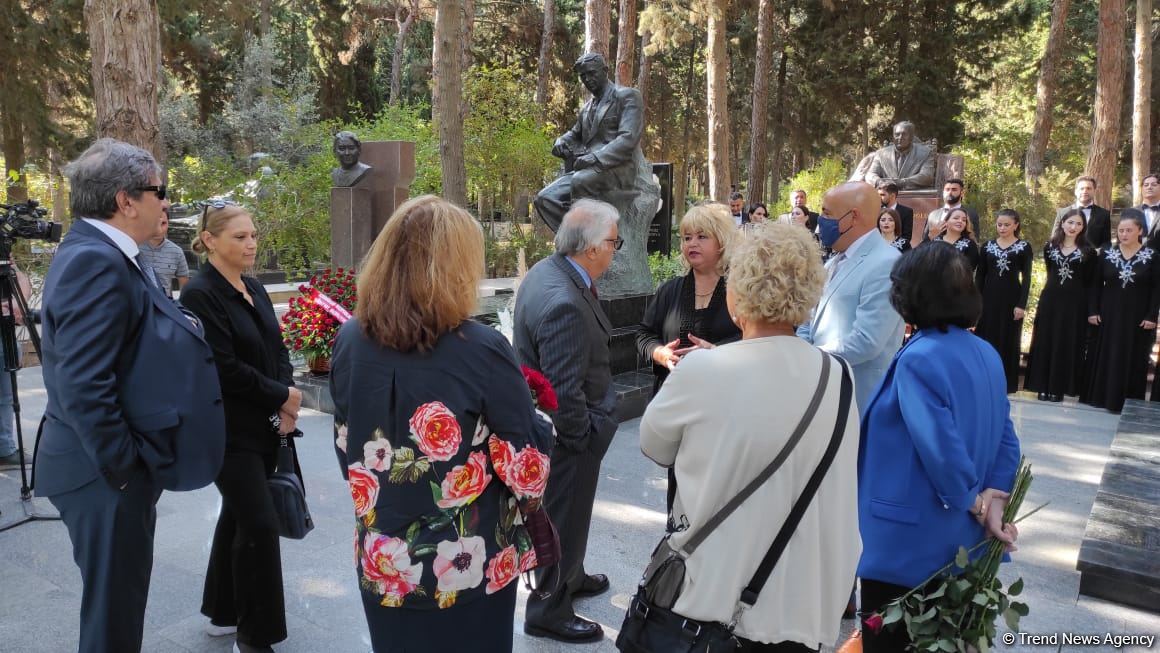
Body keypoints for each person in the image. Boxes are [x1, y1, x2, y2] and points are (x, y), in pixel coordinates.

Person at [328, 195, 553, 652]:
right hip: (470, 564)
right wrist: (542, 422)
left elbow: (346, 442)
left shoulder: (351, 337)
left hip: (383, 558)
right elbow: (525, 468)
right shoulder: (482, 348)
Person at [35, 138, 225, 653]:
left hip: (106, 471)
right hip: (101, 476)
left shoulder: (110, 253)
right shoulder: (94, 261)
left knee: (119, 607)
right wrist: (125, 468)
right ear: (125, 200)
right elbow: (82, 384)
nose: (165, 202)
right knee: (113, 618)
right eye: (159, 191)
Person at [639, 222, 860, 652]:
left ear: (735, 294)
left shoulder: (703, 370)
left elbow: (653, 444)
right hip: (803, 607)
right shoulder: (840, 376)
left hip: (713, 603)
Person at [858, 242, 1021, 653]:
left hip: (909, 546)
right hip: (962, 542)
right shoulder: (986, 352)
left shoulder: (920, 358)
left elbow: (940, 446)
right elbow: (1006, 435)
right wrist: (995, 497)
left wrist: (975, 501)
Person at [179, 201, 302, 653]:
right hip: (227, 431)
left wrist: (288, 399)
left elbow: (278, 348)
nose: (251, 244)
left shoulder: (254, 287)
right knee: (259, 524)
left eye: (253, 235)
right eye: (240, 237)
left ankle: (224, 611)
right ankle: (255, 636)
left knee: (237, 517)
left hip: (266, 424)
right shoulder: (200, 293)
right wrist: (282, 396)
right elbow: (223, 368)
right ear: (209, 241)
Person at [515, 198, 620, 643]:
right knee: (561, 517)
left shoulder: (550, 270)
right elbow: (562, 394)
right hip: (567, 441)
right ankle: (548, 607)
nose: (616, 249)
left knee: (571, 520)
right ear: (592, 248)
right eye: (614, 242)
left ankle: (570, 575)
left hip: (564, 435)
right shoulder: (563, 301)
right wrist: (585, 437)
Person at [636, 203, 741, 525]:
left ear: (721, 242)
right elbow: (643, 334)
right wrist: (659, 353)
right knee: (679, 489)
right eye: (685, 237)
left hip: (725, 410)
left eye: (701, 236)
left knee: (720, 496)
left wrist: (716, 352)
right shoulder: (670, 290)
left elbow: (755, 341)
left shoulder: (740, 289)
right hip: (679, 408)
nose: (691, 244)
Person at [798, 181, 904, 415]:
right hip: (823, 392)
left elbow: (866, 341)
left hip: (856, 402)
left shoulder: (886, 263)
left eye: (827, 213)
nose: (821, 222)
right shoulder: (836, 259)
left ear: (852, 217)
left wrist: (808, 357)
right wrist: (800, 347)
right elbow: (811, 317)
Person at [534, 53, 647, 232]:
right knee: (544, 198)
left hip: (617, 168)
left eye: (591, 73)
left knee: (580, 180)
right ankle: (576, 239)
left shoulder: (627, 96)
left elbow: (628, 138)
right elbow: (574, 133)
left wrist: (595, 157)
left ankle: (587, 238)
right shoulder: (587, 108)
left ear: (605, 71)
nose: (587, 79)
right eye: (583, 76)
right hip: (587, 168)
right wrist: (561, 141)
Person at [1082, 210, 1160, 412]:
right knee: (1108, 353)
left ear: (1140, 231)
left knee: (1133, 355)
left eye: (1129, 230)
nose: (1123, 234)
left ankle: (1127, 400)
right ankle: (1101, 398)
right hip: (1108, 314)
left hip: (1137, 317)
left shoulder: (1152, 256)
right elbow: (1096, 284)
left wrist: (1152, 315)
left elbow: (1156, 289)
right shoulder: (1107, 252)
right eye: (1120, 230)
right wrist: (1092, 310)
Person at [1024, 209, 1096, 402]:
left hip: (1075, 305)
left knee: (1067, 342)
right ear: (1062, 223)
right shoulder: (1050, 247)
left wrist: (1090, 310)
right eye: (1070, 222)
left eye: (1078, 224)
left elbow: (1090, 282)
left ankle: (1059, 388)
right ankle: (1042, 386)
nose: (1074, 227)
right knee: (1045, 340)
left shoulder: (1088, 251)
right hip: (1050, 301)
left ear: (1083, 227)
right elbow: (1051, 272)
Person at [974, 209, 1033, 394]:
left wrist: (1021, 305)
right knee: (986, 339)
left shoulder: (1023, 247)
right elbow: (980, 275)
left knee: (1008, 339)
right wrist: (976, 301)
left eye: (1007, 225)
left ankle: (1005, 383)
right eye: (999, 224)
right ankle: (983, 380)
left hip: (1011, 302)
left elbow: (1027, 278)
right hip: (988, 300)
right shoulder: (987, 246)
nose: (1002, 228)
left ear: (1016, 225)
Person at [0, 265, 33, 469]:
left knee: (6, 395)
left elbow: (22, 285)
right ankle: (4, 449)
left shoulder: (6, 264)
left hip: (5, 334)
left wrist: (14, 305)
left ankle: (4, 447)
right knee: (4, 396)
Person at [863, 121, 937, 190]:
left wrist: (902, 182)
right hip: (886, 195)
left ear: (911, 137)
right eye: (897, 134)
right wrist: (879, 182)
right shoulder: (881, 154)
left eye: (904, 134)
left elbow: (927, 176)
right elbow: (870, 174)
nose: (900, 138)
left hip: (914, 195)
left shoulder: (925, 153)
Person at [138, 209, 190, 297]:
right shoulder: (134, 247)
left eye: (163, 223)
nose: (159, 229)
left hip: (164, 304)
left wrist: (176, 304)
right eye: (154, 223)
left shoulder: (176, 251)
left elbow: (183, 284)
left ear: (168, 223)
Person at [1056, 175, 1111, 249]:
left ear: (1094, 191)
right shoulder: (1062, 213)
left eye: (1088, 188)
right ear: (1076, 191)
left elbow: (1106, 243)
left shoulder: (1104, 214)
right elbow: (1055, 238)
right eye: (1081, 188)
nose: (1085, 191)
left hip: (1093, 259)